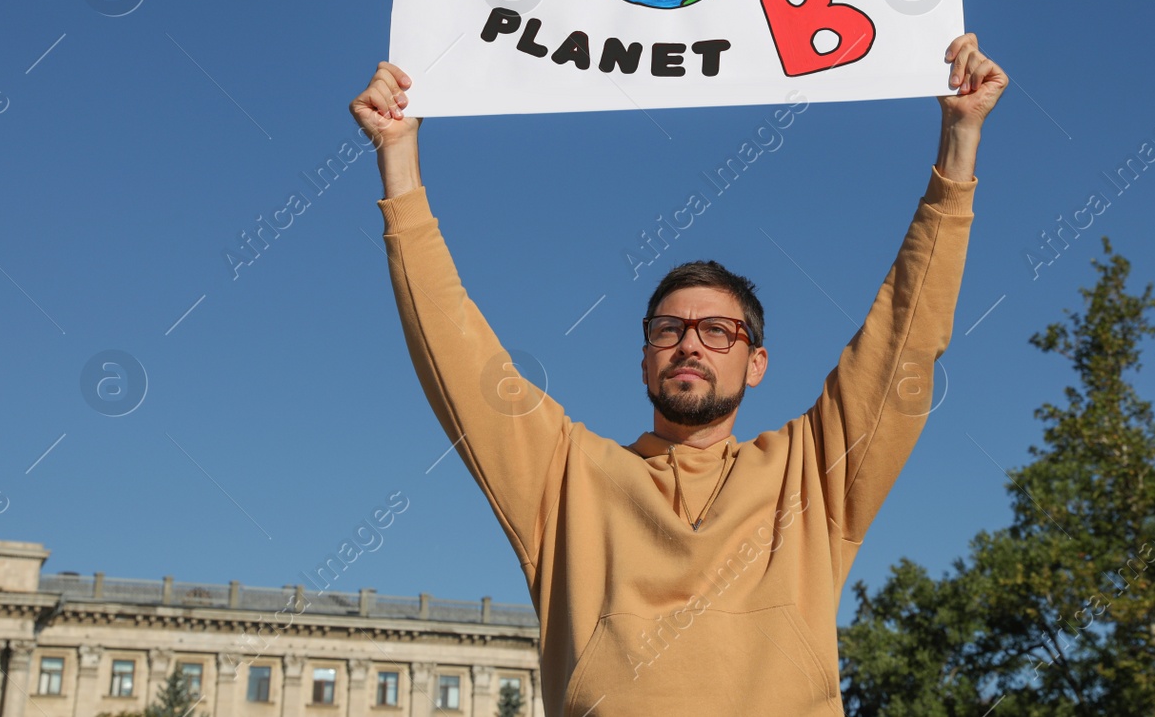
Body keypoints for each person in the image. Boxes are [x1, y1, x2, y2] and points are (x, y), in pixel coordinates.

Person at [350, 35, 1007, 716]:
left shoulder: (813, 473)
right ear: (643, 358)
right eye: (668, 329)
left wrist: (959, 145)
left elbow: (905, 337)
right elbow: (458, 357)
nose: (689, 343)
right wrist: (399, 161)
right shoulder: (565, 476)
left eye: (717, 330)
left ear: (756, 363)